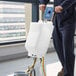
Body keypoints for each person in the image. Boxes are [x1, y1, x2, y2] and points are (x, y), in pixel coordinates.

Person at [39, 0, 76, 76]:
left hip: (69, 19)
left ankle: (68, 73)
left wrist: (62, 6)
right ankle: (65, 68)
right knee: (58, 46)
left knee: (67, 48)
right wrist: (43, 2)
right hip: (56, 18)